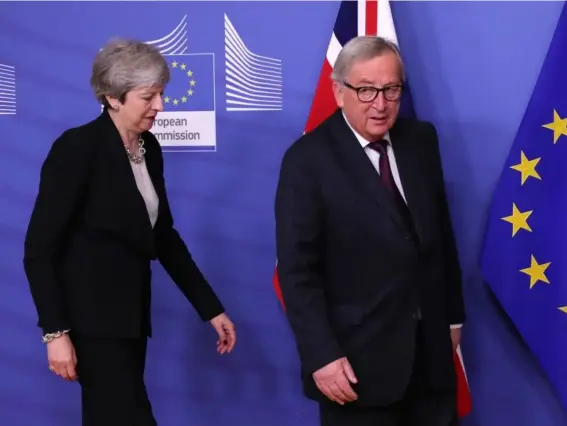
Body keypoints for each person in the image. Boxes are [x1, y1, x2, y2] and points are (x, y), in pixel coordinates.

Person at [23, 38, 236, 426]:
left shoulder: (149, 147)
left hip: (132, 320)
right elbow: (39, 249)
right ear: (113, 98)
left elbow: (163, 237)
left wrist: (210, 308)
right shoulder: (77, 149)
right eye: (148, 97)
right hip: (91, 325)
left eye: (161, 94)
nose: (160, 106)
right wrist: (54, 333)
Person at [274, 35, 465, 426]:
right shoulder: (307, 161)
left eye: (391, 89)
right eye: (366, 90)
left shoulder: (421, 141)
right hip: (355, 370)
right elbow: (297, 272)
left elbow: (440, 237)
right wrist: (321, 356)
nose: (380, 104)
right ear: (338, 91)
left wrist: (452, 320)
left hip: (431, 364)